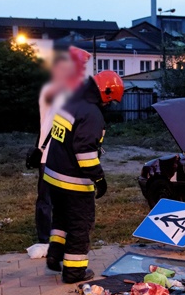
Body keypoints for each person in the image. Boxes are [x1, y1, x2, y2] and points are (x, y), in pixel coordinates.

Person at [44, 70, 123, 283]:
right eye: (111, 101)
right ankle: (74, 272)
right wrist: (99, 178)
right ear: (105, 93)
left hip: (53, 175)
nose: (109, 105)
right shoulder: (92, 115)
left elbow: (57, 133)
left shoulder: (72, 102)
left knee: (60, 218)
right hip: (74, 181)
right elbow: (85, 152)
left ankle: (54, 255)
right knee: (80, 225)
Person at [35, 47, 91, 249]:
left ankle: (55, 237)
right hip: (53, 154)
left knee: (57, 199)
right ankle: (46, 239)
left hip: (57, 154)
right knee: (49, 199)